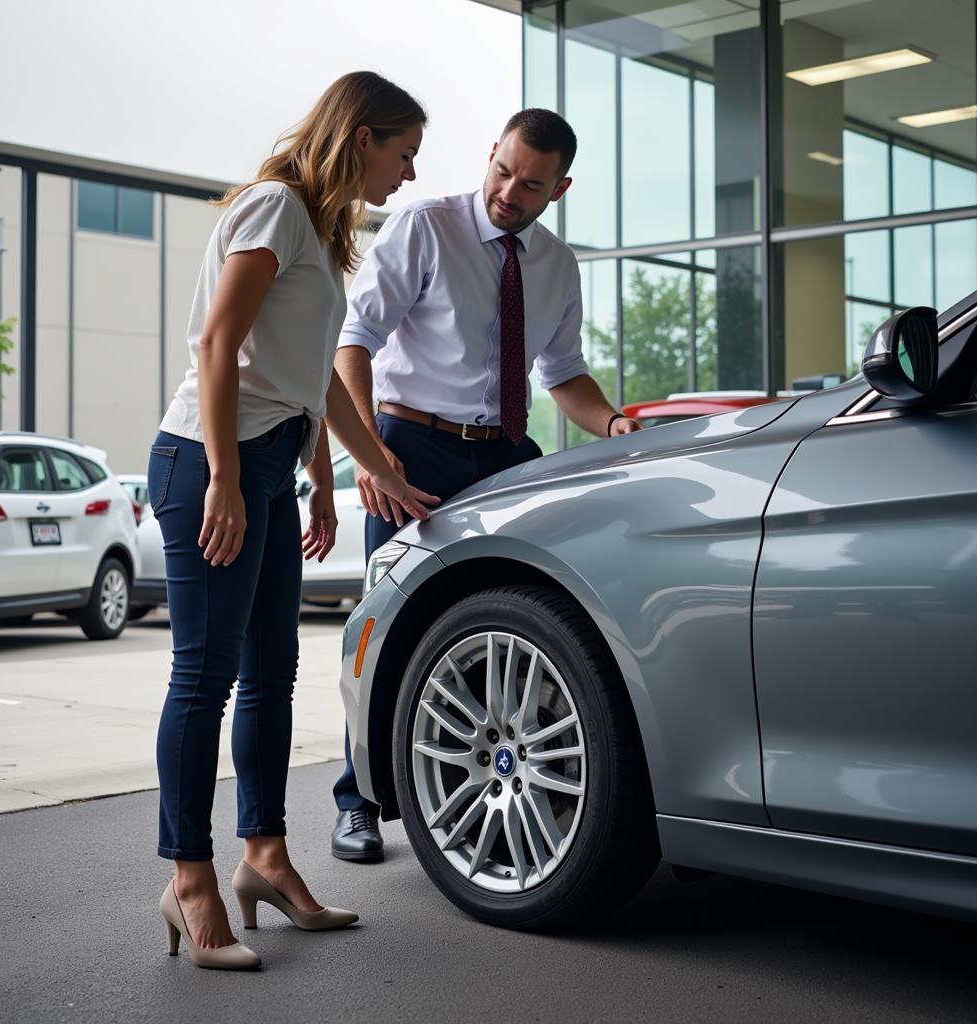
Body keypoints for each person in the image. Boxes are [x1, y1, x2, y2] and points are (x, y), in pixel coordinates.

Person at [148, 71, 437, 971]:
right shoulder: (275, 206)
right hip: (206, 458)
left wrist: (343, 473)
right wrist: (227, 481)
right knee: (206, 676)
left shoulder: (317, 228)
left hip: (269, 459)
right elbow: (216, 344)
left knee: (274, 671)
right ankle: (189, 877)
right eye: (402, 152)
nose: (408, 171)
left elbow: (307, 377)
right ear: (360, 138)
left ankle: (264, 857)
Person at [329, 107, 642, 862]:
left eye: (530, 184)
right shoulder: (424, 227)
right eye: (502, 171)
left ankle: (474, 792)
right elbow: (353, 342)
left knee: (503, 629)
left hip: (504, 453)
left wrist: (613, 425)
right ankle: (359, 802)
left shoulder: (557, 265)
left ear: (558, 188)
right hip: (411, 446)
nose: (508, 191)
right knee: (393, 628)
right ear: (491, 155)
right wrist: (372, 455)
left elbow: (562, 373)